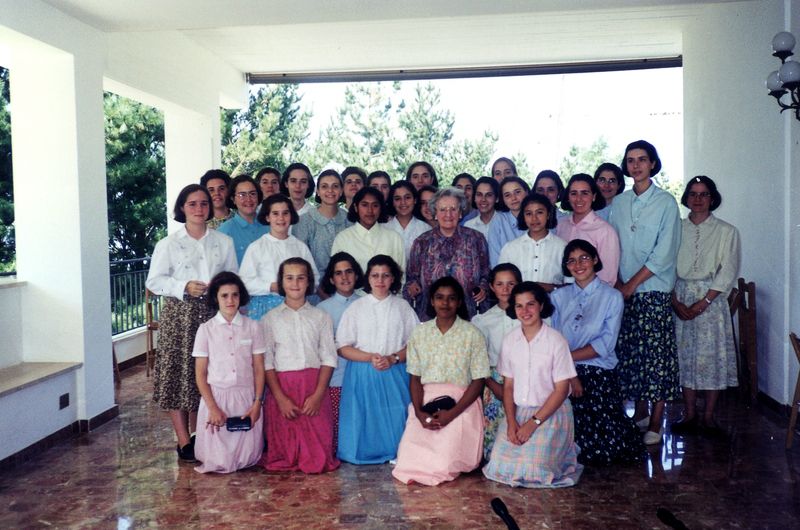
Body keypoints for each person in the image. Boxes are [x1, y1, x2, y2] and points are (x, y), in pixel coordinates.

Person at [145, 184, 238, 461]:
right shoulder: (168, 244)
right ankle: (183, 440)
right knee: (178, 375)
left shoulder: (224, 242)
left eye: (204, 203)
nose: (199, 209)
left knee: (205, 374)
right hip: (180, 316)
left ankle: (199, 435)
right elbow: (154, 281)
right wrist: (183, 286)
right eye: (192, 204)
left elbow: (232, 277)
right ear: (182, 208)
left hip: (212, 314)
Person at [608, 140, 681, 445]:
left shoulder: (666, 203)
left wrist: (631, 284)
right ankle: (639, 412)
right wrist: (617, 283)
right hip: (624, 293)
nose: (636, 165)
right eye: (630, 160)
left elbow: (664, 253)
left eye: (642, 159)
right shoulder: (619, 203)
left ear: (652, 163)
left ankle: (656, 420)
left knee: (657, 359)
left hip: (652, 291)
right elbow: (612, 246)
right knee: (633, 357)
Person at [550, 240, 646, 465]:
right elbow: (553, 340)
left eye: (584, 258)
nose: (578, 265)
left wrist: (568, 360)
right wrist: (568, 372)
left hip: (598, 370)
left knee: (603, 450)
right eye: (571, 261)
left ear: (595, 260)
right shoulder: (558, 297)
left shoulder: (612, 296)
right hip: (563, 372)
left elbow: (605, 344)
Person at [482, 282, 583, 488]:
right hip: (518, 413)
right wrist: (511, 422)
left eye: (530, 304)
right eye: (519, 306)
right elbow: (508, 387)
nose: (525, 311)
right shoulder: (510, 341)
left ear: (541, 306)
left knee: (534, 470)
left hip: (550, 414)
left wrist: (533, 423)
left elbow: (562, 390)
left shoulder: (556, 341)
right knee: (499, 467)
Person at [393, 277, 490, 486]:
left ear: (459, 302)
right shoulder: (420, 333)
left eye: (451, 298)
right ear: (431, 301)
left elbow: (478, 381)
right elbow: (415, 378)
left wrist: (452, 414)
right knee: (407, 463)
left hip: (461, 404)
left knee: (442, 464)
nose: (445, 303)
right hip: (425, 402)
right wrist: (419, 412)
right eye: (439, 297)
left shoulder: (472, 334)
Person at [671, 176, 740, 437]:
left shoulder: (726, 231)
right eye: (693, 194)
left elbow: (728, 270)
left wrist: (705, 302)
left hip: (711, 300)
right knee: (685, 356)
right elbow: (666, 265)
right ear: (686, 197)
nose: (698, 199)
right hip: (680, 294)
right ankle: (689, 414)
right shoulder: (676, 228)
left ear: (712, 198)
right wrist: (675, 301)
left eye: (704, 194)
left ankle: (709, 417)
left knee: (712, 357)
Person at [336, 255, 419, 464]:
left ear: (393, 278)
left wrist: (393, 358)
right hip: (362, 372)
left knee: (397, 413)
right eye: (375, 275)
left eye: (385, 275)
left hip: (395, 370)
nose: (380, 280)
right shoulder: (356, 308)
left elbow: (417, 344)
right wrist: (369, 357)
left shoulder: (402, 307)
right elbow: (342, 347)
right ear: (368, 278)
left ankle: (398, 452)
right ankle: (364, 453)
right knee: (365, 416)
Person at [260, 257, 340, 473]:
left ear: (309, 282)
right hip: (282, 389)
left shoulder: (321, 317)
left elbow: (329, 357)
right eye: (289, 278)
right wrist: (280, 399)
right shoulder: (269, 319)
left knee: (318, 458)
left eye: (301, 278)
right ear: (281, 282)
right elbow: (267, 362)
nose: (295, 283)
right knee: (284, 456)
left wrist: (318, 395)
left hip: (314, 388)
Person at [192, 272, 265, 473]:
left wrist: (257, 403)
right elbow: (200, 374)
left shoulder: (253, 327)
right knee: (218, 461)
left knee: (248, 458)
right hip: (217, 399)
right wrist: (213, 408)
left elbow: (259, 368)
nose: (230, 300)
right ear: (216, 298)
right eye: (224, 295)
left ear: (241, 296)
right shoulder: (206, 330)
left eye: (235, 295)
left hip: (246, 399)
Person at [403, 187, 489, 320]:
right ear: (435, 213)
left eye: (453, 209)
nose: (448, 214)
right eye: (442, 209)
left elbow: (486, 274)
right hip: (431, 316)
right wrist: (412, 287)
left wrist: (483, 288)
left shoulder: (476, 239)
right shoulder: (422, 242)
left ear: (460, 213)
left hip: (468, 314)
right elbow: (411, 278)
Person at [239, 194, 318, 320]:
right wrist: (271, 287)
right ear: (267, 217)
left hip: (297, 306)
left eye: (285, 213)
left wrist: (299, 287)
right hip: (265, 308)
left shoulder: (300, 247)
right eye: (275, 214)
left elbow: (315, 278)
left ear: (291, 216)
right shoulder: (257, 247)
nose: (281, 218)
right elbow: (244, 282)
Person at [472, 263, 522, 460]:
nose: (505, 289)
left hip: (526, 379)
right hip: (495, 382)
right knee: (497, 427)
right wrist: (492, 384)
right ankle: (497, 462)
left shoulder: (528, 315)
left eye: (511, 284)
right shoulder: (483, 320)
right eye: (499, 284)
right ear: (491, 287)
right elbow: (479, 360)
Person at [316, 252, 365, 453]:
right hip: (336, 378)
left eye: (349, 271)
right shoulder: (322, 309)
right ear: (331, 279)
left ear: (356, 275)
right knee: (337, 434)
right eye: (338, 273)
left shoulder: (367, 303)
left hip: (363, 377)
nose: (344, 277)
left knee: (361, 429)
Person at [557, 173, 620, 286]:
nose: (579, 199)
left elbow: (607, 278)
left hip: (594, 295)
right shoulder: (561, 225)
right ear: (568, 197)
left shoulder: (605, 231)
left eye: (584, 193)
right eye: (574, 193)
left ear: (594, 196)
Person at [499, 193, 566, 291]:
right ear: (523, 216)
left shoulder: (562, 247)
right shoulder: (510, 248)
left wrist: (551, 287)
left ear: (548, 214)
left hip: (553, 300)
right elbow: (501, 282)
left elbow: (571, 285)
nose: (534, 218)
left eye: (539, 212)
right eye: (529, 214)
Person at [330, 187, 405, 274]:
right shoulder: (342, 239)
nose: (370, 210)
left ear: (381, 208)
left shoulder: (394, 238)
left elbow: (401, 276)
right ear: (356, 207)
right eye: (364, 205)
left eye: (375, 205)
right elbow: (336, 274)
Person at [292, 169, 351, 275]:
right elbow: (299, 260)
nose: (330, 190)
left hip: (346, 280)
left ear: (341, 190)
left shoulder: (350, 220)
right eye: (324, 186)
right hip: (314, 282)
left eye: (335, 186)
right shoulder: (303, 221)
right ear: (317, 191)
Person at [218, 175, 270, 265]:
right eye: (242, 195)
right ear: (233, 199)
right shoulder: (224, 231)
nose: (248, 199)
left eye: (252, 194)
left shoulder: (269, 225)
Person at [488, 176, 530, 266]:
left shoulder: (538, 217)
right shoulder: (498, 221)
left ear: (526, 192)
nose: (513, 198)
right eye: (507, 195)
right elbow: (495, 261)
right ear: (503, 199)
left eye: (517, 192)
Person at [384, 181, 432, 262]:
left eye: (407, 197)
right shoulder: (384, 228)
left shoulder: (426, 229)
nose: (403, 202)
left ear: (415, 200)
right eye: (397, 199)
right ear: (392, 202)